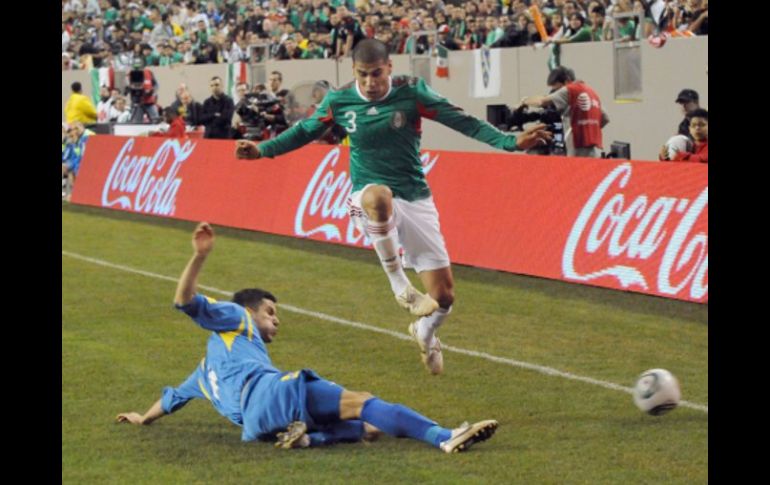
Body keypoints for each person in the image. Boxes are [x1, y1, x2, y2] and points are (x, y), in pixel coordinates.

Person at [235, 39, 551, 375]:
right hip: (367, 197)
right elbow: (303, 132)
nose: (370, 82)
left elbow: (462, 121)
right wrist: (262, 150)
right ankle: (399, 283)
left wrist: (508, 141)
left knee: (444, 297)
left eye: (376, 74)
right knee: (378, 197)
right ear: (353, 71)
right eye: (362, 75)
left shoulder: (413, 93)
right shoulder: (340, 100)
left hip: (415, 196)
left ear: (390, 68)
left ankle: (424, 333)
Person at [115, 222, 499, 454]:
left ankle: (306, 440)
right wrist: (199, 257)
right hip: (269, 394)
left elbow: (171, 400)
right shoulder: (236, 318)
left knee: (368, 429)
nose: (275, 320)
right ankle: (444, 435)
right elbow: (184, 301)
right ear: (251, 311)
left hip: (254, 427)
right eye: (270, 311)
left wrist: (141, 419)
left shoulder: (201, 373)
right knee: (364, 403)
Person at [521, 66, 609, 158]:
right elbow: (605, 118)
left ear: (566, 81)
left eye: (557, 89)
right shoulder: (591, 92)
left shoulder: (569, 90)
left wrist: (524, 100)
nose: (555, 92)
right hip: (591, 151)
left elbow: (541, 102)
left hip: (575, 150)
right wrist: (588, 128)